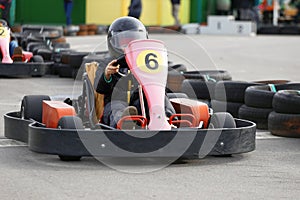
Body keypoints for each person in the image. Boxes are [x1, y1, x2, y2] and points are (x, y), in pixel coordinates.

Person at [94, 16, 176, 128]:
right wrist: (107, 75)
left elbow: (161, 87)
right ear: (112, 42)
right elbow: (100, 89)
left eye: (134, 41)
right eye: (124, 42)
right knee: (116, 108)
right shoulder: (108, 64)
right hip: (117, 100)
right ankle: (124, 122)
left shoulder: (146, 62)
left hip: (140, 101)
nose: (129, 46)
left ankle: (169, 119)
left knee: (161, 100)